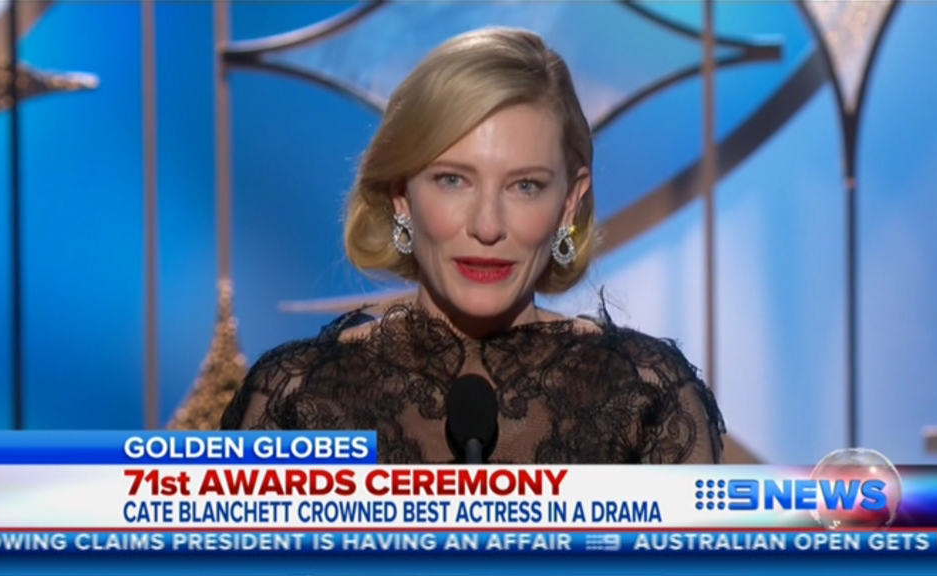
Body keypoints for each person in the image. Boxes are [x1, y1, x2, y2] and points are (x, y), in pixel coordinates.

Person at [220, 27, 725, 464]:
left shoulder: (646, 399)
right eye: (453, 180)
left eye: (525, 186)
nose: (487, 226)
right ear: (401, 196)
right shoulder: (297, 401)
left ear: (569, 202)